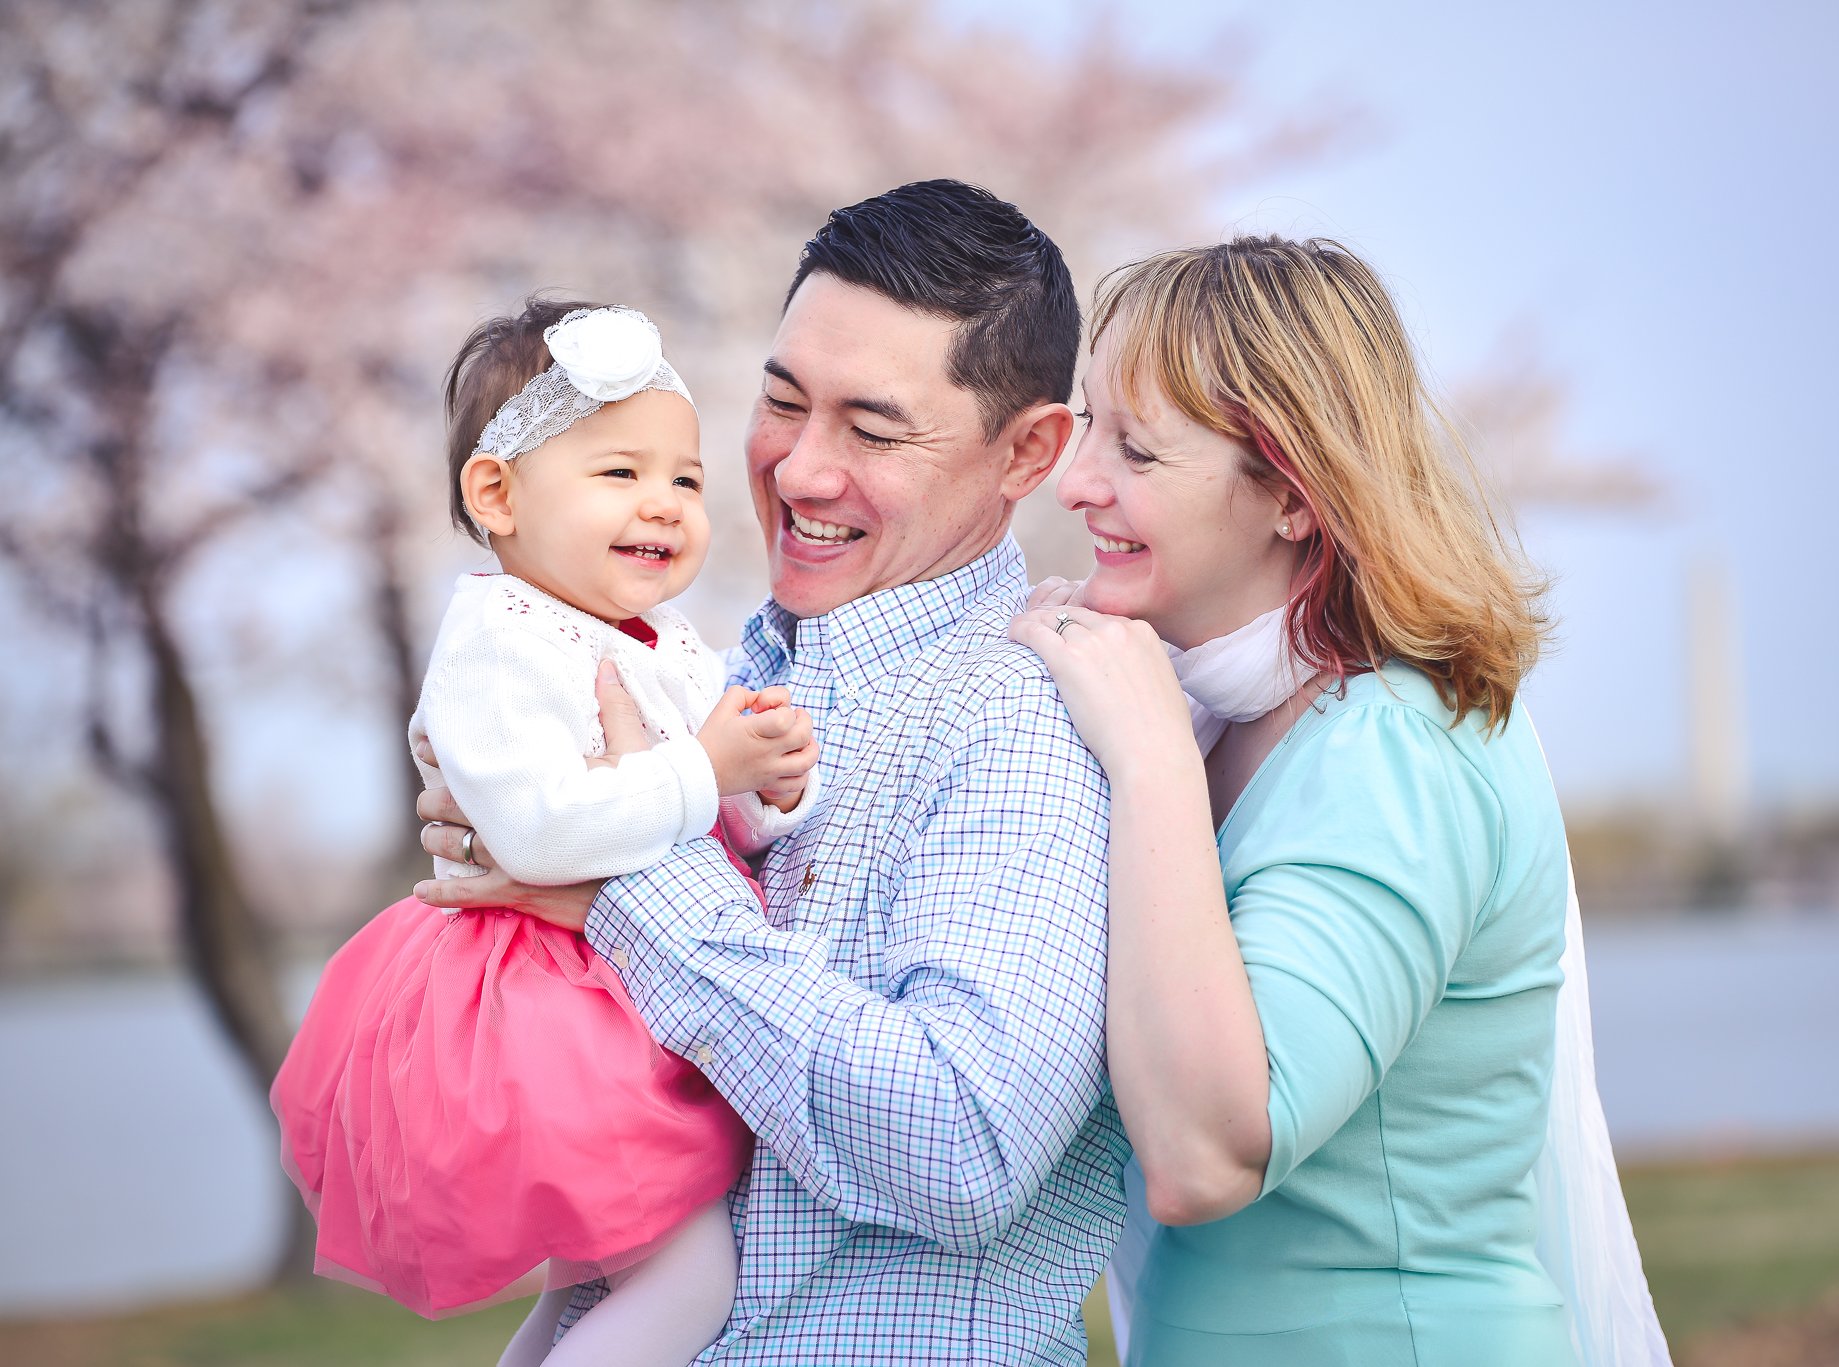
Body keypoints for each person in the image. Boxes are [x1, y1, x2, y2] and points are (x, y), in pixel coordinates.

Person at [412, 181, 1125, 1365]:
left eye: (872, 429)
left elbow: (965, 1146)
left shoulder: (1023, 718)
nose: (798, 470)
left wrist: (621, 879)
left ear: (1029, 452)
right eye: (780, 401)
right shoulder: (720, 663)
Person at [1012, 236, 1670, 1365]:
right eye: (1083, 426)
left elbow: (1202, 1153)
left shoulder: (1396, 753)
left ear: (1289, 495)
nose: (1074, 480)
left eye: (1137, 449)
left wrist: (1152, 759)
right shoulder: (1208, 705)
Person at [269, 301, 820, 1367]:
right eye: (619, 473)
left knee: (599, 1281)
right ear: (497, 493)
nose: (662, 504)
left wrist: (766, 782)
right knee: (690, 1274)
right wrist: (704, 768)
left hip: (613, 992)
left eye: (686, 479)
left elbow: (705, 802)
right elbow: (542, 830)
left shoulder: (656, 638)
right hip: (540, 1008)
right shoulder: (499, 640)